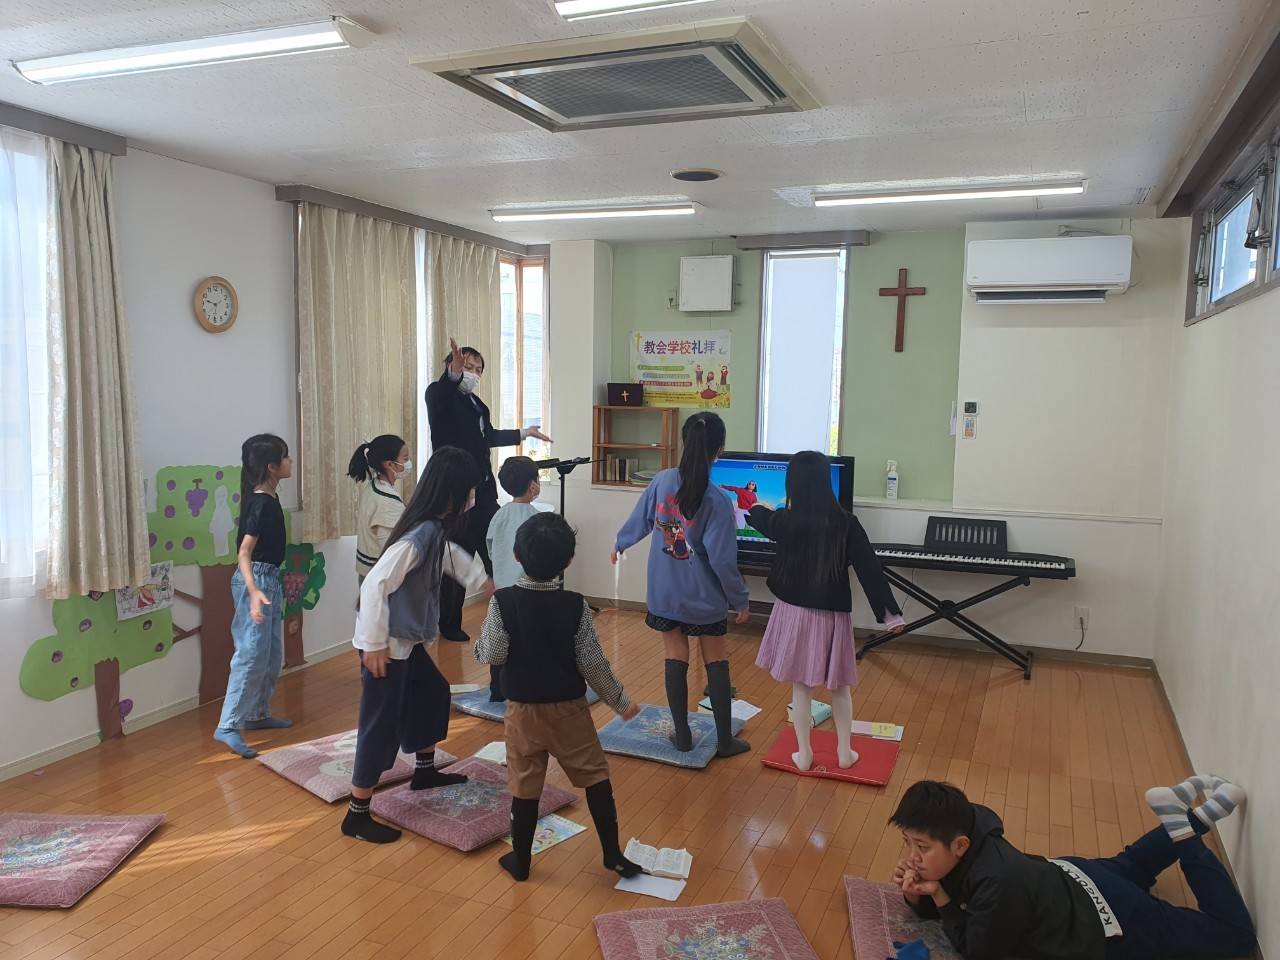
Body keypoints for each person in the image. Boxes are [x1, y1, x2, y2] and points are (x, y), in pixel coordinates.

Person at [889, 778, 1256, 960]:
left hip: (1105, 915)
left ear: (959, 845)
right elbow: (951, 901)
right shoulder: (968, 821)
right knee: (1132, 865)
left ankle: (1184, 832)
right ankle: (1201, 812)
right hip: (1072, 875)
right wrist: (918, 895)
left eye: (922, 847)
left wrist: (940, 897)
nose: (912, 855)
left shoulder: (998, 882)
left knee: (1234, 936)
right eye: (908, 842)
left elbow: (976, 950)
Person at [475, 512, 643, 883]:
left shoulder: (503, 601)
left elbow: (494, 653)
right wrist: (621, 702)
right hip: (570, 712)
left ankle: (521, 862)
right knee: (595, 776)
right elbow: (592, 663)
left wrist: (479, 646)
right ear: (568, 561)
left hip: (522, 714)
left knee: (524, 784)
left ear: (516, 556)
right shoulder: (575, 605)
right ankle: (612, 854)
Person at [342, 447, 494, 844]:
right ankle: (357, 814)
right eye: (470, 491)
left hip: (404, 641)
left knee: (433, 692)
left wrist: (481, 581)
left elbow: (450, 557)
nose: (473, 498)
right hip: (386, 645)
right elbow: (375, 584)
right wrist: (374, 645)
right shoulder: (419, 534)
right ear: (451, 493)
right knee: (380, 724)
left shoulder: (434, 529)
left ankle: (424, 772)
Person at [746, 451, 905, 771]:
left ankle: (804, 754)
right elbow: (869, 569)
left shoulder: (786, 520)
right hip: (832, 616)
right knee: (840, 687)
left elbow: (760, 517)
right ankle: (845, 753)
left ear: (793, 484)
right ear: (824, 482)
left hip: (793, 613)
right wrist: (891, 616)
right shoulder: (846, 523)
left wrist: (756, 505)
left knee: (801, 688)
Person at [613, 412, 752, 758]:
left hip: (665, 593)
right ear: (719, 450)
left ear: (685, 443)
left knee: (675, 654)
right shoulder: (719, 500)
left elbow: (641, 519)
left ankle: (683, 736)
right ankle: (724, 741)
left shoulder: (662, 481)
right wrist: (740, 598)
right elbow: (722, 561)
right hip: (704, 599)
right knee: (715, 659)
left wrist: (620, 543)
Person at [424, 337, 551, 643]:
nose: (474, 373)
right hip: (455, 494)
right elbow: (442, 396)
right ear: (452, 366)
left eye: (478, 369)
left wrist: (523, 432)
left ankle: (511, 609)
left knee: (500, 550)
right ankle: (449, 624)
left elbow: (488, 436)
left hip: (483, 492)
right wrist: (453, 375)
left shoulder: (477, 404)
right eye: (468, 367)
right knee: (457, 557)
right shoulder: (439, 395)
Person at [213, 434, 293, 759]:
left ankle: (257, 714)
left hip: (269, 578)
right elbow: (244, 552)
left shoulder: (269, 499)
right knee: (250, 654)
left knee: (270, 654)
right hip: (256, 579)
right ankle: (228, 725)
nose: (290, 462)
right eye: (286, 457)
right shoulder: (261, 504)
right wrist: (254, 590)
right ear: (272, 467)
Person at [482, 455, 544, 702]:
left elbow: (490, 547)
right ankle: (526, 688)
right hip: (530, 592)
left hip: (501, 590)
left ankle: (496, 690)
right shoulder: (536, 518)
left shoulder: (499, 515)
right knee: (527, 641)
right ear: (532, 486)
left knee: (499, 639)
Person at [347, 434, 410, 586]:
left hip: (369, 574)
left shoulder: (376, 486)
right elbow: (390, 550)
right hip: (379, 579)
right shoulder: (386, 501)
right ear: (390, 464)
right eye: (405, 459)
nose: (408, 464)